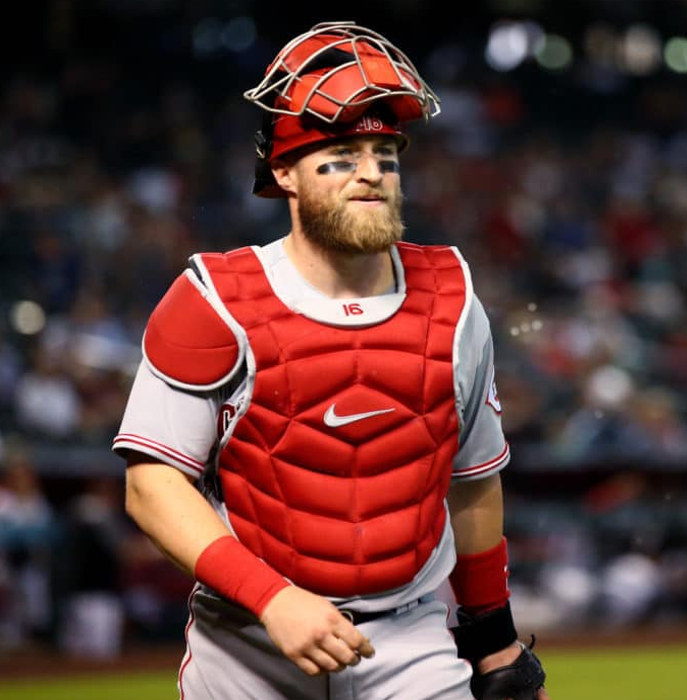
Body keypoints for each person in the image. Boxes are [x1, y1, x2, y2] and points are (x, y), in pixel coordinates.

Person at [115, 21, 549, 700]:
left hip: (409, 638)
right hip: (247, 643)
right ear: (283, 172)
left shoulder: (453, 299)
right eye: (342, 154)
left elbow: (472, 482)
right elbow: (151, 485)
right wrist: (271, 597)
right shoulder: (214, 299)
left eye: (385, 153)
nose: (372, 172)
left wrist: (494, 639)